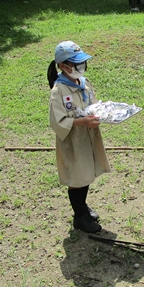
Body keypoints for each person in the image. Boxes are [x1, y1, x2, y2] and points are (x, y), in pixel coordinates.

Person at [47, 41, 111, 234]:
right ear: (63, 66)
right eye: (75, 63)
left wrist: (105, 113)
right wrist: (83, 122)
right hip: (73, 141)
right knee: (77, 178)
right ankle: (80, 216)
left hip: (88, 138)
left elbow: (92, 104)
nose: (80, 67)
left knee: (86, 174)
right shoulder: (59, 91)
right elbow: (57, 121)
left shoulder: (84, 83)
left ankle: (82, 207)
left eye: (81, 63)